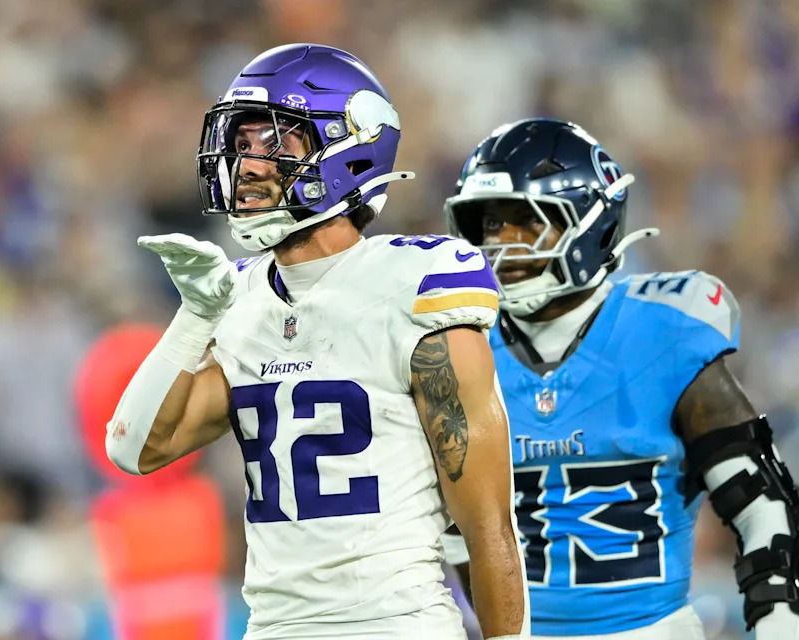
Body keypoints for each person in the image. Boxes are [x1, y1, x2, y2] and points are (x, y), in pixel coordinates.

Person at [104, 44, 529, 640]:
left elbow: (488, 528)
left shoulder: (413, 287)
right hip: (277, 626)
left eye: (274, 142)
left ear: (348, 149)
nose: (247, 165)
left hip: (395, 624)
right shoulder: (243, 298)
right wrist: (195, 315)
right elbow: (134, 450)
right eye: (241, 143)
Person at [440, 118, 799, 640]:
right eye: (490, 224)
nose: (502, 244)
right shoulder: (460, 346)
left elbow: (760, 504)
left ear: (590, 222)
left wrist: (779, 622)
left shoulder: (663, 331)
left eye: (525, 220)